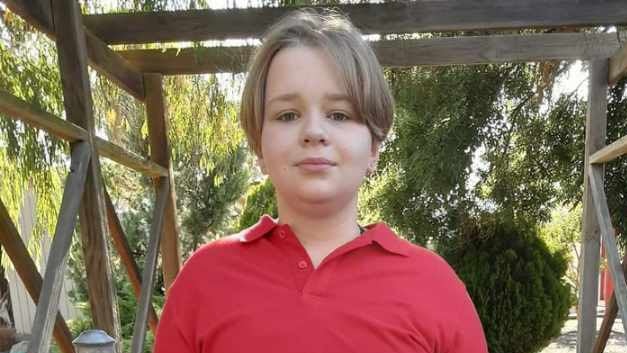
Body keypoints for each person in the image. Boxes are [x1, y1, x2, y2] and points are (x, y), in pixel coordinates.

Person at [154, 9, 488, 353]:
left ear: (373, 147)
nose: (313, 131)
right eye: (287, 115)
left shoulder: (435, 286)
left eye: (339, 115)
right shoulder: (204, 281)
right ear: (259, 144)